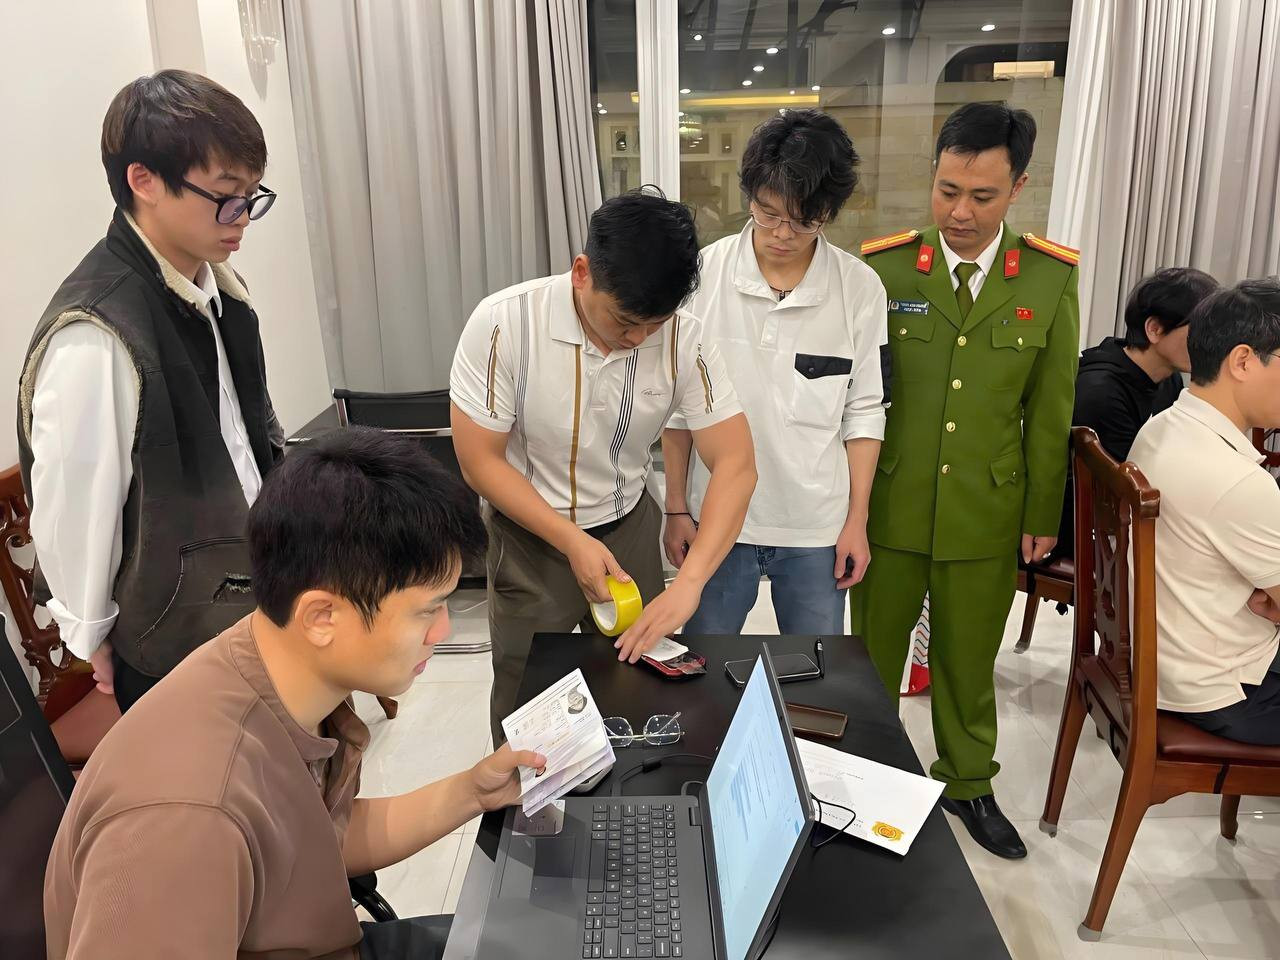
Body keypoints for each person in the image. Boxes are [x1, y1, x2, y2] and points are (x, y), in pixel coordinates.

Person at [44, 428, 547, 959]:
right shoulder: (186, 818)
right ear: (322, 616)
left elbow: (319, 843)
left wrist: (473, 792)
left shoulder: (280, 666)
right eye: (427, 610)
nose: (442, 631)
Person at [850, 102, 1080, 859]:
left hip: (988, 505)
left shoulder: (1048, 277)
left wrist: (1042, 511)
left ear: (1019, 188)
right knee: (870, 658)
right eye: (948, 191)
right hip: (889, 501)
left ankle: (968, 782)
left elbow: (1050, 408)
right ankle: (866, 780)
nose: (960, 212)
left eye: (983, 196)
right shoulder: (884, 268)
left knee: (968, 658)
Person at [16, 69, 284, 713]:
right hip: (174, 636)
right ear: (144, 181)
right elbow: (76, 507)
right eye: (226, 196)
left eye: (251, 196)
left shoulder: (219, 290)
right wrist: (92, 633)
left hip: (254, 598)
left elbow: (247, 447)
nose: (242, 218)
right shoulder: (97, 332)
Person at [450, 188, 756, 740]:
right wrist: (571, 541)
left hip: (628, 527)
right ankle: (528, 790)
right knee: (527, 691)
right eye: (624, 321)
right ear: (582, 272)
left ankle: (631, 785)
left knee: (640, 681)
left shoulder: (685, 339)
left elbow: (736, 463)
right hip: (530, 535)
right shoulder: (503, 324)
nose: (637, 339)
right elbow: (480, 462)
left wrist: (690, 583)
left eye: (653, 325)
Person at [662, 109, 886, 635]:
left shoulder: (859, 289)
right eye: (768, 214)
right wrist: (675, 508)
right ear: (749, 197)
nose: (783, 233)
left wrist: (856, 520)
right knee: (703, 664)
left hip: (815, 526)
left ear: (829, 214)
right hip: (716, 518)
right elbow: (677, 407)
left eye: (804, 221)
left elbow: (864, 413)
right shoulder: (703, 278)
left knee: (815, 670)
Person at [1129, 279, 1280, 746]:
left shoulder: (1161, 427)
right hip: (1227, 690)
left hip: (1170, 660)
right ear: (1242, 361)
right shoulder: (1237, 482)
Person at [1054, 267, 1218, 558]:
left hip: (1129, 517)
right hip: (1083, 531)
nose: (1210, 343)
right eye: (1199, 329)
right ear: (1154, 329)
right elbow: (1121, 490)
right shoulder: (1102, 392)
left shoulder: (1167, 379)